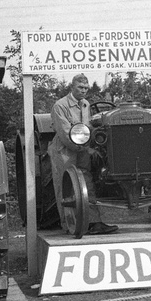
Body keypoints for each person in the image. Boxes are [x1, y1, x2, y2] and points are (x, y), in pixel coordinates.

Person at [49, 74, 118, 235]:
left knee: (87, 185)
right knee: (66, 187)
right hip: (64, 151)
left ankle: (94, 223)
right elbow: (66, 134)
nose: (83, 91)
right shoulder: (60, 106)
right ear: (72, 87)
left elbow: (86, 127)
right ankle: (69, 225)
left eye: (86, 88)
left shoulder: (85, 104)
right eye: (80, 87)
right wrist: (86, 149)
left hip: (82, 150)